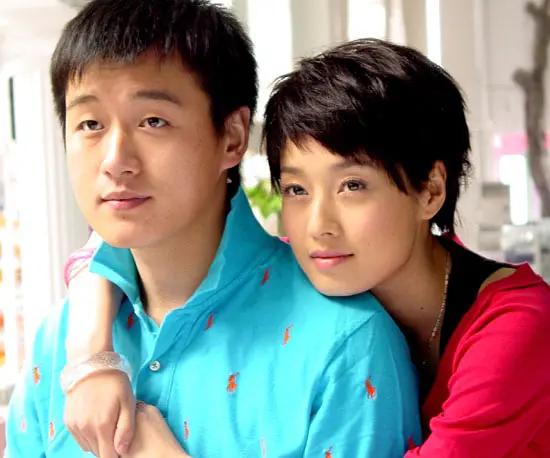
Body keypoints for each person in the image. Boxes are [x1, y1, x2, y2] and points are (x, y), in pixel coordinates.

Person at [62, 37, 550, 457]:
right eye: (297, 189)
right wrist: (92, 361)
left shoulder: (519, 326)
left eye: (353, 186)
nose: (319, 226)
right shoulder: (309, 269)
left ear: (430, 191)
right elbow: (107, 247)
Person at [5, 2, 420, 457]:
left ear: (232, 137)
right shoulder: (62, 343)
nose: (115, 161)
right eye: (90, 124)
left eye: (153, 121)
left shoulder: (346, 345)